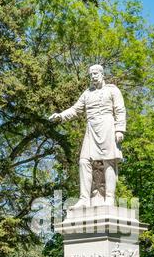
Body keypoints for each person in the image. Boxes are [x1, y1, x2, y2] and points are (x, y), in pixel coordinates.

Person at [49, 64, 126, 208]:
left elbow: (120, 110)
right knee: (84, 161)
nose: (93, 76)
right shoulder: (87, 93)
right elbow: (75, 109)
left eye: (95, 73)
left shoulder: (113, 90)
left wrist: (120, 129)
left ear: (102, 74)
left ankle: (109, 198)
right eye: (91, 74)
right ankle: (84, 199)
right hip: (91, 128)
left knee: (108, 162)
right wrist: (60, 116)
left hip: (108, 126)